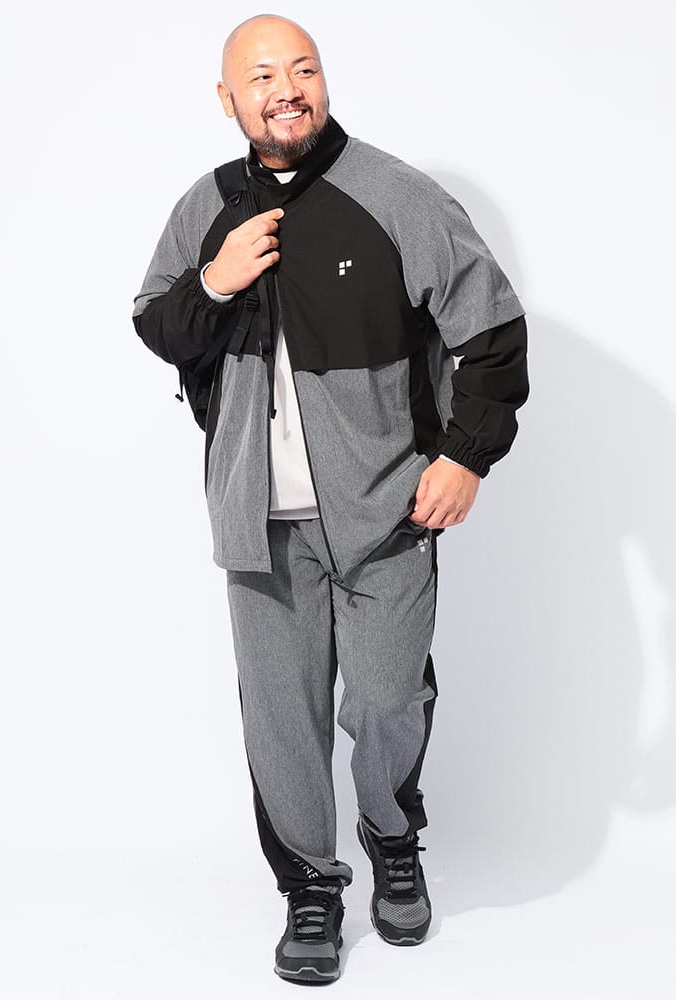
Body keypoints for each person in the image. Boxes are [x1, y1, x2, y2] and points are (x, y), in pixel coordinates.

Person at [132, 13, 529, 985]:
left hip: (388, 511)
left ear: (322, 80)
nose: (286, 89)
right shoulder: (204, 208)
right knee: (281, 717)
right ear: (228, 98)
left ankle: (392, 835)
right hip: (256, 521)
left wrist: (466, 456)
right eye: (262, 76)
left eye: (302, 69)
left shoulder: (394, 195)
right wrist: (214, 282)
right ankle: (310, 885)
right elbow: (157, 324)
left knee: (389, 696)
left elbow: (492, 329)